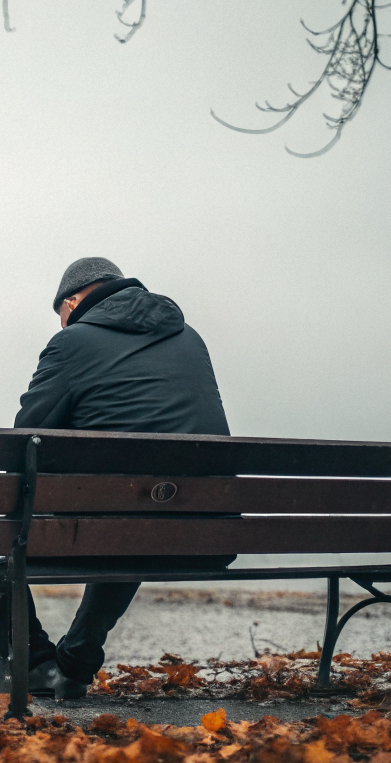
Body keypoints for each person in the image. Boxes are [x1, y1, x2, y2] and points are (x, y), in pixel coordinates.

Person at [12, 256, 231, 699]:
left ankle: (37, 664)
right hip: (207, 536)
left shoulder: (72, 343)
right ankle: (74, 662)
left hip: (116, 529)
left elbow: (25, 439)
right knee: (136, 519)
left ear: (72, 301)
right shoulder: (190, 339)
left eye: (61, 317)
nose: (61, 327)